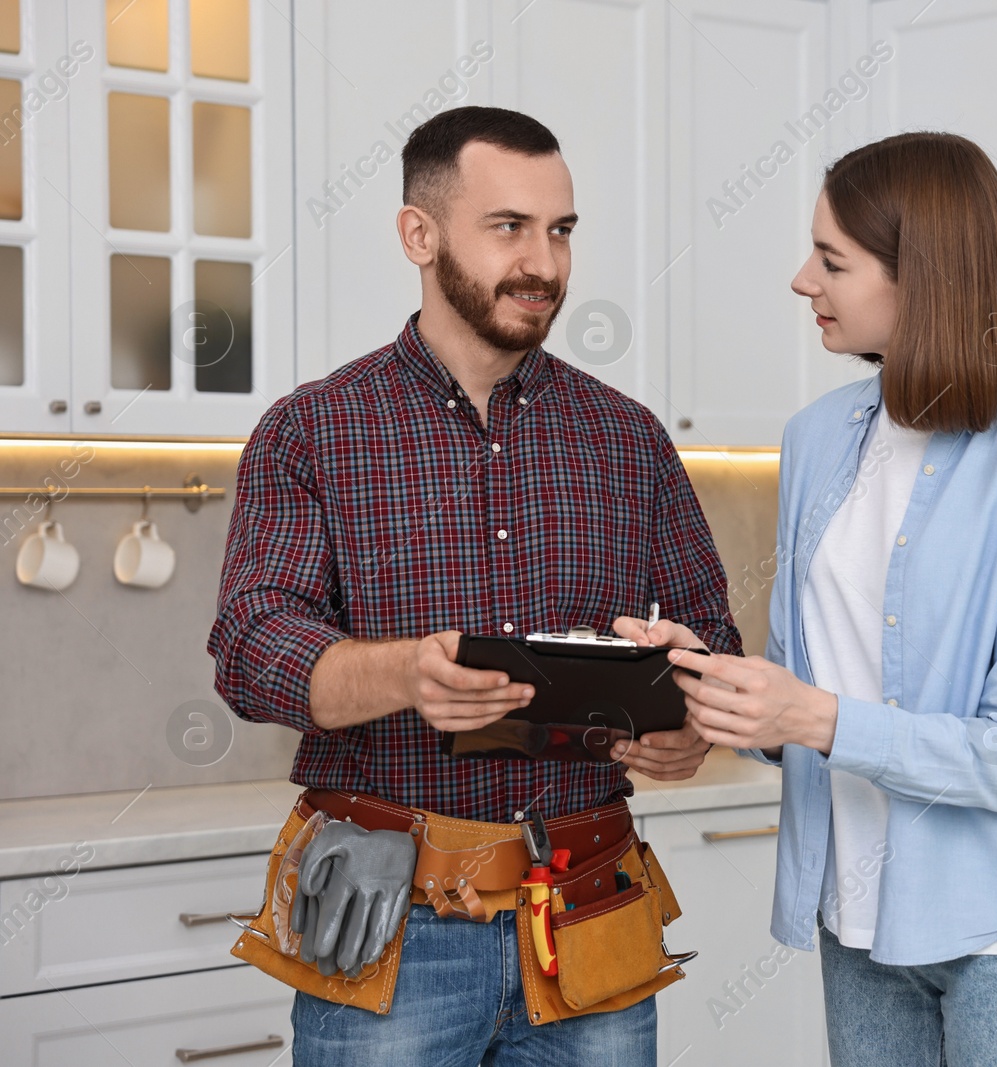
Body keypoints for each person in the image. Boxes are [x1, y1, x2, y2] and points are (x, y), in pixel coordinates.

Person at [208, 106, 737, 1066]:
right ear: (420, 234)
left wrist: (691, 715)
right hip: (390, 931)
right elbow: (251, 650)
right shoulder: (313, 431)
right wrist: (408, 673)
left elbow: (714, 641)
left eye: (561, 230)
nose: (544, 263)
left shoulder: (630, 438)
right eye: (509, 228)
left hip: (588, 917)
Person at [662, 132, 997, 1067]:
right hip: (856, 921)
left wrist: (816, 715)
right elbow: (799, 697)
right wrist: (707, 681)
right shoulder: (817, 439)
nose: (801, 279)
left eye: (832, 259)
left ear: (924, 278)